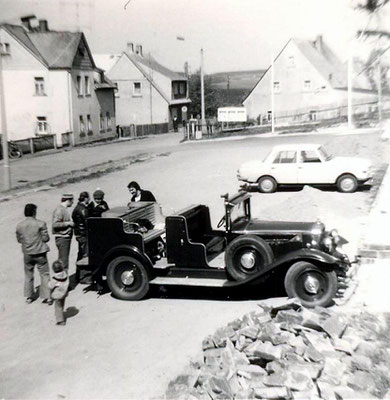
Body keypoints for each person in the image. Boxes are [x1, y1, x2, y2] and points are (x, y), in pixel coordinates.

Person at [16, 203, 51, 304]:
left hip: (27, 253)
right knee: (44, 274)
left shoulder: (19, 225)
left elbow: (19, 240)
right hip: (40, 252)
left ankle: (29, 297)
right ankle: (47, 297)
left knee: (28, 274)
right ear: (34, 212)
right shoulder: (41, 223)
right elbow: (46, 238)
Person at [52, 194, 74, 272]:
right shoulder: (60, 210)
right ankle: (63, 281)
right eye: (72, 201)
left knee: (63, 261)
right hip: (63, 238)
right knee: (63, 262)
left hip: (65, 238)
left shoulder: (63, 209)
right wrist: (68, 223)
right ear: (68, 200)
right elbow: (55, 224)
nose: (73, 202)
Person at [72, 191, 91, 284]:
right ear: (86, 198)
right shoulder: (83, 209)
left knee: (80, 254)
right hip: (84, 235)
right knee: (86, 255)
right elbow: (88, 222)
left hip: (79, 235)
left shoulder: (76, 208)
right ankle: (85, 278)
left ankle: (78, 275)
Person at [48, 260, 69, 326]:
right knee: (62, 303)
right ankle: (61, 312)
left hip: (57, 294)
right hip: (64, 292)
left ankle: (60, 321)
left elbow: (50, 286)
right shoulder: (65, 274)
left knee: (58, 306)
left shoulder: (54, 278)